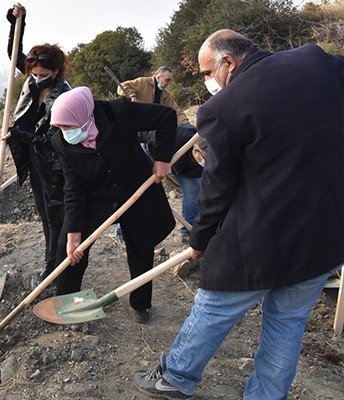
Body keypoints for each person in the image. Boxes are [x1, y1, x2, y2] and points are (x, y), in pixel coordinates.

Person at [133, 30, 344, 400]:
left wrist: (199, 240)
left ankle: (177, 376)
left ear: (227, 62)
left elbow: (217, 189)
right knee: (288, 324)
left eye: (205, 72)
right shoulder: (316, 60)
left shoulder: (223, 108)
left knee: (213, 305)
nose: (207, 81)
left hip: (262, 237)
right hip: (325, 232)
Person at [49, 86, 177, 324]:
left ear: (83, 115)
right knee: (70, 249)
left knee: (140, 245)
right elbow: (73, 187)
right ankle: (67, 305)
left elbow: (166, 118)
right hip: (95, 195)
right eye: (60, 127)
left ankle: (140, 303)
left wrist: (162, 158)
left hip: (135, 187)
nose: (64, 132)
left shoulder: (119, 112)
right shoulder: (61, 142)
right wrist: (74, 232)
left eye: (67, 126)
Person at [2, 3, 69, 289]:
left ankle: (53, 270)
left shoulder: (63, 97)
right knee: (45, 216)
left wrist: (19, 134)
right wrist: (17, 22)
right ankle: (52, 264)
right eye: (34, 73)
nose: (37, 78)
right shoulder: (32, 80)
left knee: (55, 216)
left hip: (55, 166)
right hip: (34, 160)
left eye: (43, 74)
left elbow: (53, 141)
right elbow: (14, 54)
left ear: (56, 71)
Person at [138, 123, 205, 243]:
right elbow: (145, 133)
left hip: (182, 165)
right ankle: (122, 232)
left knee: (194, 190)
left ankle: (189, 232)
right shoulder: (178, 135)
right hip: (152, 151)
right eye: (205, 159)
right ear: (196, 151)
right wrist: (159, 161)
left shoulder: (212, 158)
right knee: (139, 192)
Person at [117, 66, 189, 123]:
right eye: (167, 80)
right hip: (137, 122)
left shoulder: (166, 95)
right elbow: (122, 86)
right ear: (158, 77)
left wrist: (186, 123)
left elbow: (176, 110)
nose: (168, 83)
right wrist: (132, 96)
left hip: (152, 125)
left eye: (170, 80)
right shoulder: (143, 82)